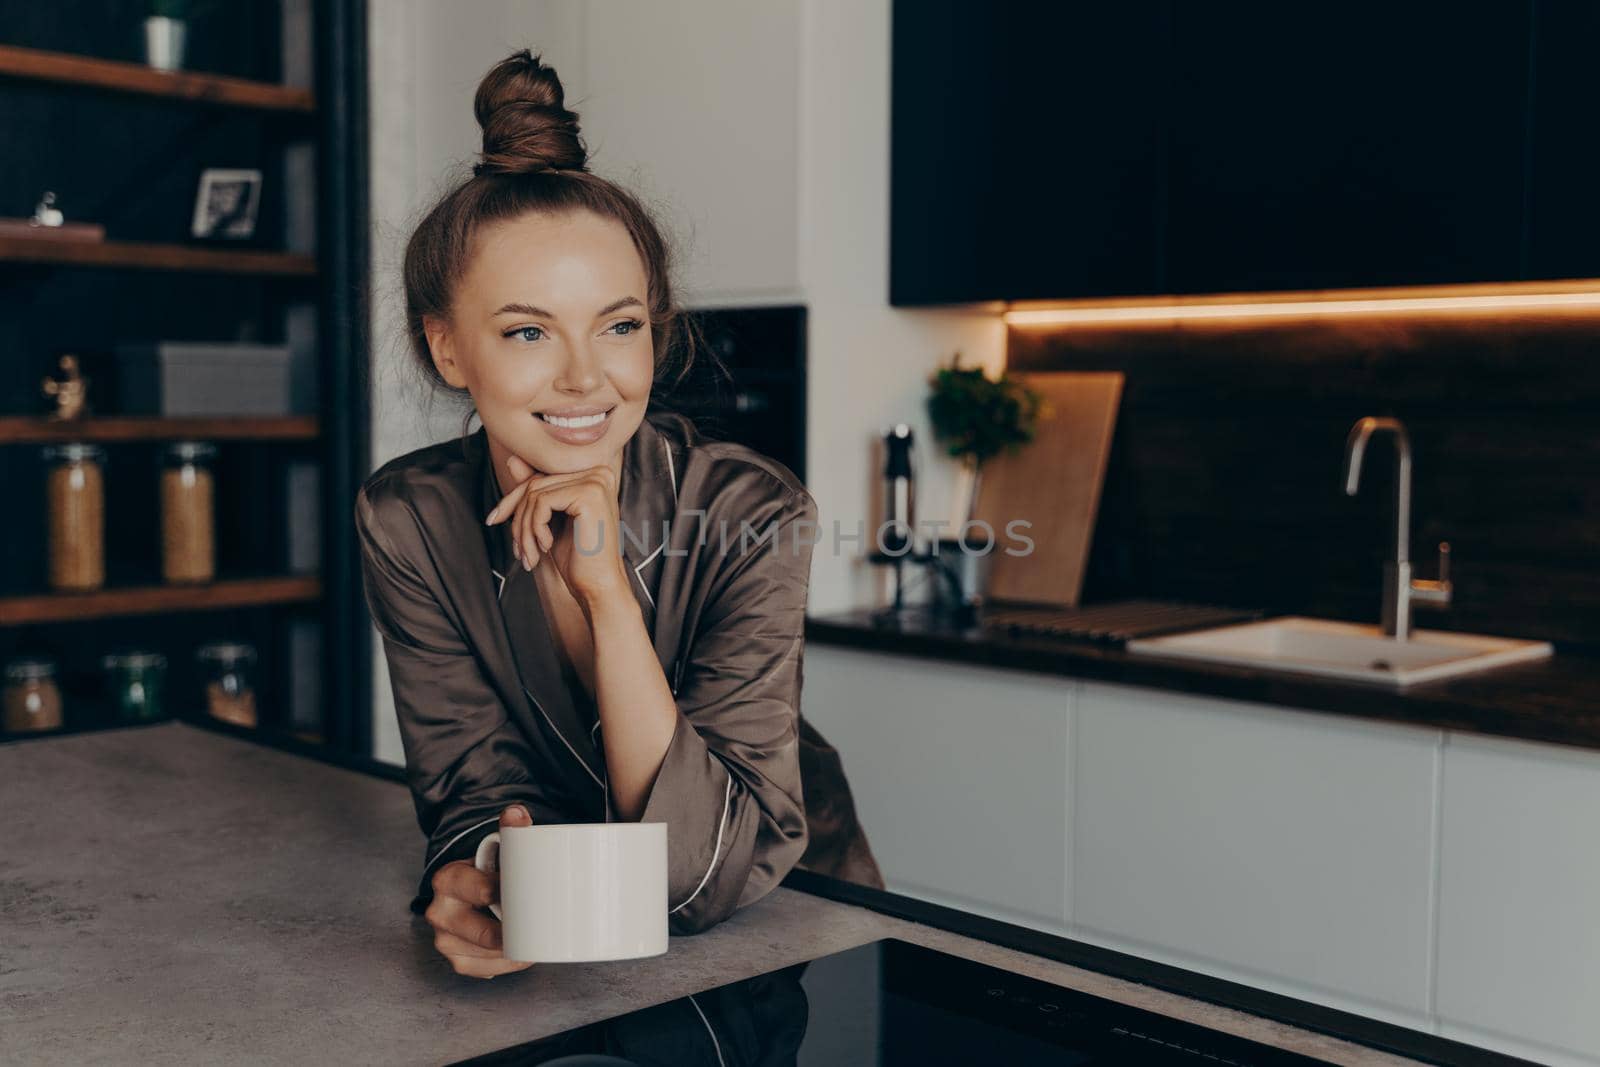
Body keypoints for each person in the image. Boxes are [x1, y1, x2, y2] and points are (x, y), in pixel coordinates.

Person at [354, 49, 884, 980]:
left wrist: (605, 596)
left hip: (798, 926)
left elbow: (701, 877)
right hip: (580, 943)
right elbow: (473, 783)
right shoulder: (409, 520)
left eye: (620, 324)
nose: (586, 376)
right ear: (446, 347)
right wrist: (480, 878)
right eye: (528, 330)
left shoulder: (754, 512)